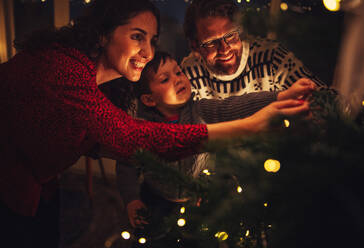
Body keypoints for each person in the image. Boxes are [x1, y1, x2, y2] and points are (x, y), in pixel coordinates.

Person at [0, 0, 309, 247]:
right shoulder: (63, 69)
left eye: (153, 39)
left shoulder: (96, 80)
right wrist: (250, 127)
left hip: (37, 182)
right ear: (103, 32)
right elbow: (131, 137)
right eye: (137, 36)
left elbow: (226, 107)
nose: (148, 53)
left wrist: (281, 96)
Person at [116, 51, 315, 238]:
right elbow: (127, 164)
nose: (177, 78)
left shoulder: (201, 110)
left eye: (178, 71)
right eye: (165, 79)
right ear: (149, 100)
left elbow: (237, 105)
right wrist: (132, 199)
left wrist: (282, 96)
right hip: (154, 199)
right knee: (152, 237)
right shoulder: (142, 129)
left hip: (198, 199)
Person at [181, 0, 327, 101]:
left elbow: (326, 99)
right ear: (195, 47)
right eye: (212, 43)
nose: (225, 48)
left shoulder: (272, 58)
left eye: (231, 35)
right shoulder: (188, 73)